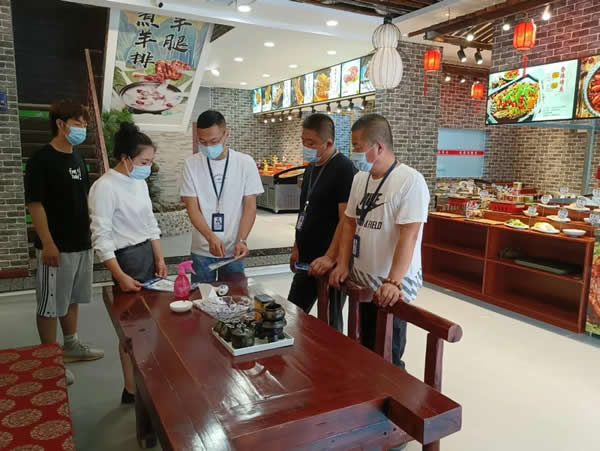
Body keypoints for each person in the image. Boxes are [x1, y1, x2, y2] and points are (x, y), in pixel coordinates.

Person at [329, 113, 430, 369]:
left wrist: (393, 281)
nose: (354, 153)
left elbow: (409, 235)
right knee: (363, 348)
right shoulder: (360, 179)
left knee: (388, 357)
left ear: (379, 147)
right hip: (362, 279)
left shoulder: (410, 181)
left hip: (390, 286)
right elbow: (349, 222)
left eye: (358, 147)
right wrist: (342, 263)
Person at [25, 100, 104, 386]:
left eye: (84, 124)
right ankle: (49, 359)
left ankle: (71, 345)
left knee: (71, 297)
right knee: (49, 304)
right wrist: (47, 243)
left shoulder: (77, 157)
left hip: (80, 242)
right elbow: (35, 205)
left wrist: (91, 235)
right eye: (78, 123)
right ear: (60, 124)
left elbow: (81, 199)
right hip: (55, 247)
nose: (83, 128)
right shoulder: (41, 160)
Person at [89, 122, 168, 404]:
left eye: (150, 162)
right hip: (126, 260)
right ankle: (131, 389)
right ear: (125, 158)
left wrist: (159, 257)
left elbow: (150, 223)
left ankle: (147, 378)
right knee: (132, 327)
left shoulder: (138, 183)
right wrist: (120, 276)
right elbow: (101, 238)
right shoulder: (105, 187)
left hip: (146, 253)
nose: (148, 167)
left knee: (152, 321)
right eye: (144, 162)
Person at [288, 113, 357, 331]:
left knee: (330, 323)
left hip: (330, 262)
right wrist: (296, 246)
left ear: (328, 143)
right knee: (292, 313)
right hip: (306, 258)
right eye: (303, 141)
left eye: (311, 143)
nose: (306, 147)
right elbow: (304, 211)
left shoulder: (345, 169)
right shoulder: (311, 167)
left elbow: (346, 220)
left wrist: (331, 257)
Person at [181, 110, 263, 282]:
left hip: (234, 250)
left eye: (214, 141)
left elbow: (249, 207)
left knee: (235, 295)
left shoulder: (245, 163)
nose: (208, 147)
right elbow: (192, 209)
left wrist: (242, 240)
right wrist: (210, 237)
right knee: (201, 295)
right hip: (202, 250)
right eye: (203, 142)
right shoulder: (191, 164)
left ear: (226, 134)